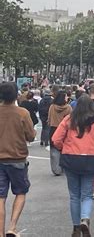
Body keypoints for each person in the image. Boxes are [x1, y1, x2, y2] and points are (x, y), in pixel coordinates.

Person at [52, 94, 94, 237]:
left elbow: (56, 139)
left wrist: (64, 148)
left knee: (74, 195)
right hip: (90, 158)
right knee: (87, 194)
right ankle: (85, 218)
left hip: (71, 158)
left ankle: (75, 227)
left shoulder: (69, 119)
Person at [0, 82, 36, 237]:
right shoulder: (22, 113)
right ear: (16, 95)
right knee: (20, 192)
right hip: (17, 159)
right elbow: (31, 135)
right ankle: (12, 227)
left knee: (0, 196)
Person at [48, 90, 72, 176]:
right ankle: (65, 167)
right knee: (64, 148)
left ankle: (56, 169)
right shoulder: (68, 108)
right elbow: (70, 120)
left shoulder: (52, 107)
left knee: (54, 150)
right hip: (64, 130)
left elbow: (49, 119)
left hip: (53, 129)